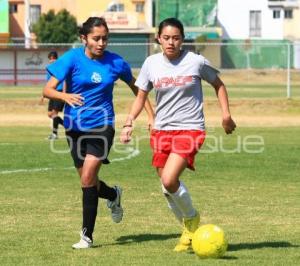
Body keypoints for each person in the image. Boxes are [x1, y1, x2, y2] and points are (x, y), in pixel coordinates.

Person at [120, 17, 236, 252]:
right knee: (166, 187)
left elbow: (219, 85)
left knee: (169, 179)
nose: (171, 42)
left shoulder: (196, 62)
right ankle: (188, 230)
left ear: (182, 39)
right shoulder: (151, 64)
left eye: (176, 38)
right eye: (166, 38)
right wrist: (129, 121)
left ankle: (191, 219)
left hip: (190, 128)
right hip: (162, 130)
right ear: (158, 39)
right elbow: (141, 96)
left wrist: (226, 115)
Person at [43, 17, 154, 249]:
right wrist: (65, 97)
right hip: (74, 129)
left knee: (87, 178)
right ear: (84, 38)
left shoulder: (115, 62)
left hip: (102, 126)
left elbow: (138, 88)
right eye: (96, 38)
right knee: (89, 182)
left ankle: (87, 236)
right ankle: (113, 194)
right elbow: (48, 89)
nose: (101, 42)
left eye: (105, 38)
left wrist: (151, 116)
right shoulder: (72, 58)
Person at [40, 51, 65, 140]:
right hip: (52, 93)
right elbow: (48, 82)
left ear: (56, 59)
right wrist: (44, 94)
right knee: (50, 114)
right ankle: (69, 126)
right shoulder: (49, 68)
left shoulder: (61, 67)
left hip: (59, 92)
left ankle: (54, 134)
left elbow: (65, 80)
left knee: (54, 113)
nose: (51, 61)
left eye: (53, 59)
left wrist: (64, 93)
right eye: (50, 59)